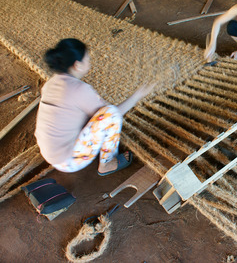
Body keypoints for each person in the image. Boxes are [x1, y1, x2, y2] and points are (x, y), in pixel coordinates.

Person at [35, 38, 156, 175]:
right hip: (69, 161)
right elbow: (114, 114)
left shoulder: (50, 83)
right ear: (77, 65)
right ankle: (107, 163)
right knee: (110, 113)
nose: (90, 63)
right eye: (88, 60)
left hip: (49, 152)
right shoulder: (79, 89)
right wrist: (137, 95)